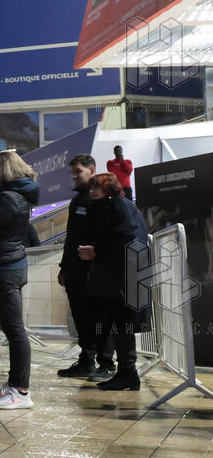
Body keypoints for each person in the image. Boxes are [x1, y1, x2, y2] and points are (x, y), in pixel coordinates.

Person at [0, 150, 40, 410]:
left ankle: (21, 391)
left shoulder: (7, 198)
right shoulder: (17, 195)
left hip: (5, 268)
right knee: (13, 330)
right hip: (9, 265)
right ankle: (14, 384)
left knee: (15, 331)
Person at [81, 173, 152, 391]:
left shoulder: (117, 206)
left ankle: (128, 374)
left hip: (123, 277)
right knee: (119, 326)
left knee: (122, 325)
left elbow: (127, 239)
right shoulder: (115, 206)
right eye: (91, 187)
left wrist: (97, 251)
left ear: (108, 188)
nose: (91, 191)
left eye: (96, 187)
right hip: (121, 276)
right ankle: (127, 374)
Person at [57, 155, 116, 382]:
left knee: (100, 318)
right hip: (75, 270)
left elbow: (108, 234)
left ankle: (107, 364)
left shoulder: (102, 198)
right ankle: (86, 361)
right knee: (81, 318)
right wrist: (64, 267)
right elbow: (71, 238)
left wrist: (98, 254)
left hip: (95, 271)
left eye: (78, 171)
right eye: (72, 172)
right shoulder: (78, 200)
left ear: (92, 169)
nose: (74, 176)